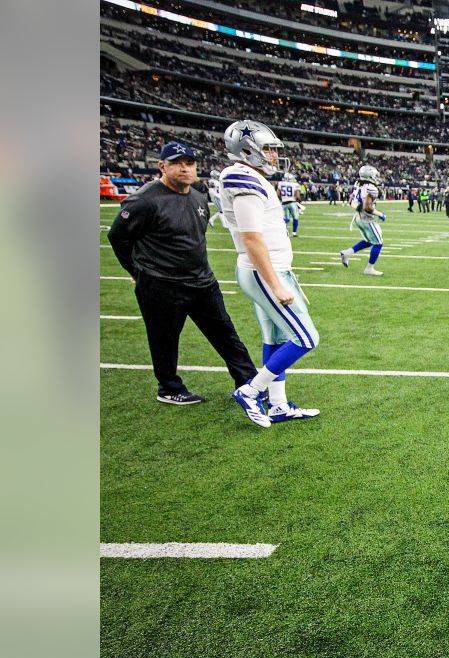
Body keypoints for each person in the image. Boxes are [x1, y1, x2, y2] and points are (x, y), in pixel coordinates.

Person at [107, 140, 258, 406]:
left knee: (226, 333)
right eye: (177, 163)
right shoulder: (145, 200)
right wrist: (135, 270)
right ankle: (168, 388)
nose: (185, 169)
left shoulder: (199, 196)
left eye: (189, 163)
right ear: (162, 166)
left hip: (202, 281)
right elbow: (117, 236)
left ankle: (248, 382)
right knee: (163, 338)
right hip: (161, 284)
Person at [218, 120, 321, 427]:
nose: (274, 156)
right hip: (264, 272)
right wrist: (275, 284)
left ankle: (277, 405)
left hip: (269, 270)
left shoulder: (250, 177)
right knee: (306, 338)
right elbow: (251, 238)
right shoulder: (241, 177)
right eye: (269, 149)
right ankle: (251, 391)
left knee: (275, 337)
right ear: (248, 150)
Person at [338, 165, 387, 276]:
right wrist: (380, 214)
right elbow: (367, 208)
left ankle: (347, 253)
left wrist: (359, 208)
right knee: (378, 243)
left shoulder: (358, 184)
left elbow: (351, 201)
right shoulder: (371, 188)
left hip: (358, 217)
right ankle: (369, 268)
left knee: (370, 241)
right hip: (366, 219)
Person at [278, 171, 304, 237]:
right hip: (292, 202)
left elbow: (278, 194)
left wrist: (282, 199)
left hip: (284, 203)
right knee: (295, 217)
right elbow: (297, 195)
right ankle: (294, 233)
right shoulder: (295, 184)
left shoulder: (280, 184)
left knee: (286, 218)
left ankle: (281, 230)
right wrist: (300, 201)